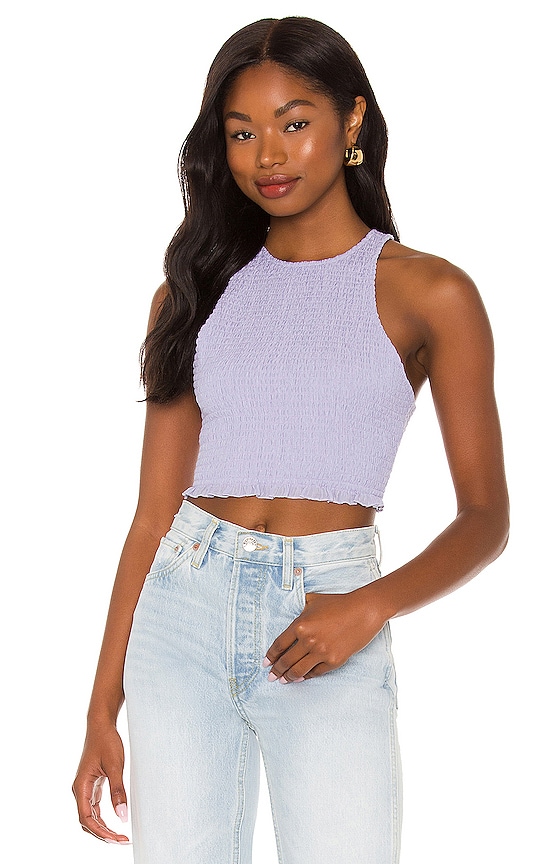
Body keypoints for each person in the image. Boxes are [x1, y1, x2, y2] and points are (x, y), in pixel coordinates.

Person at [72, 16, 509, 864]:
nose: (267, 156)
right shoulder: (192, 294)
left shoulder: (430, 292)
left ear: (352, 120)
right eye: (242, 133)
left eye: (294, 123)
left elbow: (486, 517)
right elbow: (153, 515)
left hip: (327, 614)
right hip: (181, 615)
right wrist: (101, 707)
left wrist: (370, 605)